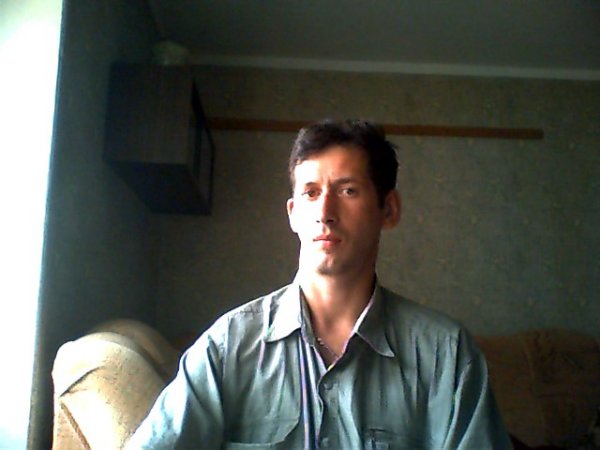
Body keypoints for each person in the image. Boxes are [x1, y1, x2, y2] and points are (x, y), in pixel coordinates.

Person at [127, 119, 513, 449]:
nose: (325, 213)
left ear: (389, 209)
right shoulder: (227, 348)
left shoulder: (448, 355)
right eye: (311, 193)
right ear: (293, 214)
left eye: (348, 191)